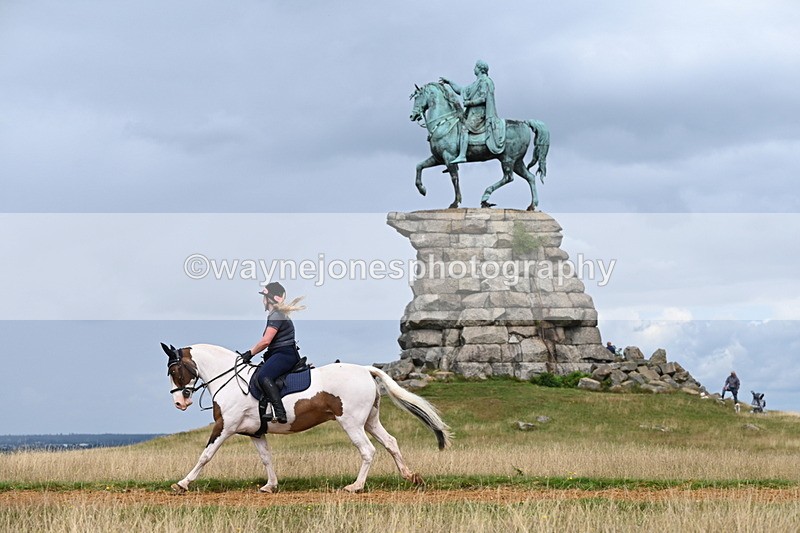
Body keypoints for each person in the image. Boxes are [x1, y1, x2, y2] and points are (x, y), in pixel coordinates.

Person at [238, 282, 305, 424]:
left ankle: (279, 411)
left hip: (284, 354)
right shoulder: (276, 314)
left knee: (264, 376)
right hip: (280, 353)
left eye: (264, 297)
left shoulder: (276, 315)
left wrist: (249, 354)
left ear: (268, 298)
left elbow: (266, 341)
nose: (262, 301)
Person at [440, 59, 505, 164]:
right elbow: (461, 90)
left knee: (464, 128)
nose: (473, 69)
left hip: (480, 114)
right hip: (472, 113)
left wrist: (469, 103)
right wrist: (449, 82)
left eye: (475, 67)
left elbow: (483, 98)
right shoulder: (476, 83)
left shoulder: (485, 81)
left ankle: (462, 155)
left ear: (479, 69)